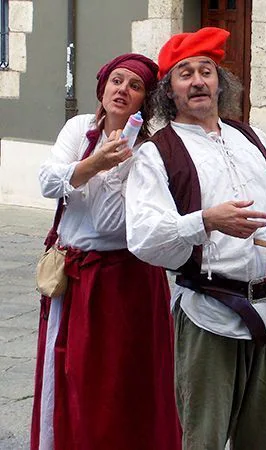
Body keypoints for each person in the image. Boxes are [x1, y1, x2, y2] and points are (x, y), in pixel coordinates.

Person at [125, 27, 266, 450]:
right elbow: (144, 236)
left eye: (206, 71)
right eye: (185, 73)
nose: (198, 81)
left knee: (262, 438)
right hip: (208, 314)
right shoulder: (157, 153)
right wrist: (206, 221)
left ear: (220, 82)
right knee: (204, 440)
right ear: (169, 89)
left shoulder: (257, 142)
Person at [32, 53, 181, 450]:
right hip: (74, 275)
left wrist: (119, 165)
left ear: (144, 101)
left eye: (135, 87)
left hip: (124, 280)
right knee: (68, 374)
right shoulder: (80, 130)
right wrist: (95, 163)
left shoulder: (149, 152)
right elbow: (48, 181)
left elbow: (112, 224)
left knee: (117, 383)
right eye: (117, 81)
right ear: (103, 88)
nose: (123, 90)